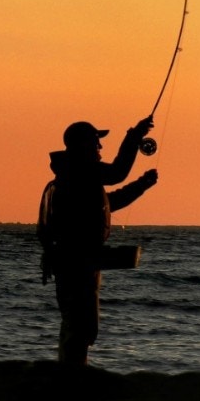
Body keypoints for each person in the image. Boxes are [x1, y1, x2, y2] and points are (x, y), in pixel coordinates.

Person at [37, 115, 159, 365]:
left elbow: (107, 205)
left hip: (79, 263)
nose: (100, 148)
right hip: (77, 264)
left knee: (79, 326)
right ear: (82, 146)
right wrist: (134, 136)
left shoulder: (76, 175)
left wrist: (142, 185)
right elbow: (117, 173)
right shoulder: (79, 171)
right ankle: (71, 382)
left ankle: (70, 377)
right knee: (80, 325)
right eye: (95, 142)